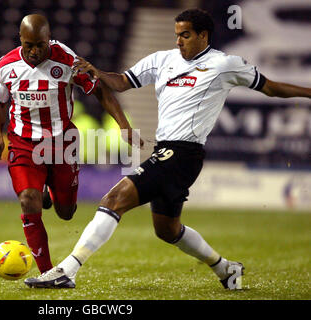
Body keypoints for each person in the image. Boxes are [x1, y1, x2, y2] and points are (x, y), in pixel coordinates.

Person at [24, 8, 311, 289]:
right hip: (166, 151)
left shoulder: (225, 64)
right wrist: (96, 72)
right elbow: (122, 82)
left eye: (185, 35)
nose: (178, 41)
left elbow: (271, 87)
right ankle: (225, 268)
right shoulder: (162, 60)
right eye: (176, 35)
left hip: (185, 153)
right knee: (167, 230)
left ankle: (68, 270)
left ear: (203, 35)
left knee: (113, 200)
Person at [0, 14, 141, 275]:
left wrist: (124, 125)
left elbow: (101, 91)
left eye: (40, 44)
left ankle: (48, 191)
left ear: (50, 39)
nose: (35, 51)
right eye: (29, 45)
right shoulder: (5, 67)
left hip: (62, 144)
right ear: (20, 40)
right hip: (23, 143)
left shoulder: (68, 61)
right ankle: (47, 272)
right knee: (28, 199)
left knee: (66, 212)